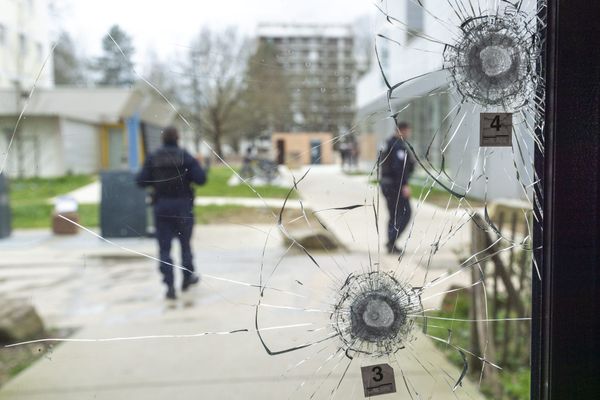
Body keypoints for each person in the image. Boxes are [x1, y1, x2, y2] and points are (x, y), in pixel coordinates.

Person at [136, 127, 207, 300]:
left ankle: (169, 286)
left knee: (164, 249)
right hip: (183, 207)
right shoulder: (185, 156)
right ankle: (187, 278)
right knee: (185, 245)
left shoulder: (154, 157)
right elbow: (201, 179)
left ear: (163, 140)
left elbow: (140, 181)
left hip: (162, 207)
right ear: (178, 138)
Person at [380, 121, 415, 254]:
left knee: (394, 214)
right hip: (395, 186)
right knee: (405, 213)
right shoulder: (397, 146)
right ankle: (391, 241)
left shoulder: (389, 143)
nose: (408, 134)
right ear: (402, 130)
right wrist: (404, 185)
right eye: (407, 131)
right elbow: (398, 168)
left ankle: (391, 242)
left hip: (387, 184)